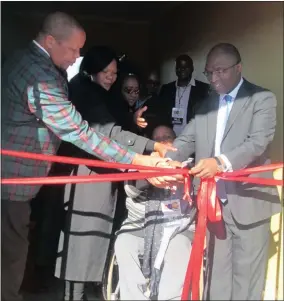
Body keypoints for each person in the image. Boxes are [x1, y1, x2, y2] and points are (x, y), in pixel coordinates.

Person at [1, 12, 175, 301]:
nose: (77, 56)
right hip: (14, 180)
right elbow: (83, 132)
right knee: (11, 258)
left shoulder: (27, 61)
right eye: (72, 49)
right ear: (50, 41)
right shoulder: (41, 76)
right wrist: (141, 158)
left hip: (20, 180)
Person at [159, 43, 281, 300]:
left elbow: (257, 142)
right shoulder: (206, 105)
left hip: (250, 204)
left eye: (220, 71)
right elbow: (188, 139)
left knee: (245, 283)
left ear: (238, 68)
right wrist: (164, 158)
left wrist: (220, 162)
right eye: (209, 73)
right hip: (214, 206)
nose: (213, 79)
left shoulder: (262, 99)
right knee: (216, 280)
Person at [54, 46, 169, 301]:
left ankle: (92, 289)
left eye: (114, 72)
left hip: (105, 175)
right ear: (91, 71)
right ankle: (74, 295)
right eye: (106, 72)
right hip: (87, 176)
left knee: (100, 237)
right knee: (83, 239)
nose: (111, 77)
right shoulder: (84, 92)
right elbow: (109, 132)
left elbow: (116, 123)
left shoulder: (105, 93)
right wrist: (154, 146)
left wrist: (132, 119)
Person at [115, 125, 196, 300]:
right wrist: (151, 173)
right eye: (157, 139)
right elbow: (131, 191)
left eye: (167, 137)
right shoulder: (140, 162)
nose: (162, 142)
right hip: (141, 223)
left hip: (178, 227)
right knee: (124, 243)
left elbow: (193, 200)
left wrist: (178, 175)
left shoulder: (189, 164)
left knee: (179, 246)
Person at [159, 54, 210, 136]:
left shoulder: (203, 89)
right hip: (170, 137)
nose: (181, 70)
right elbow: (161, 113)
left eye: (185, 67)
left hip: (193, 138)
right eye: (179, 67)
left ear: (192, 69)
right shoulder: (166, 89)